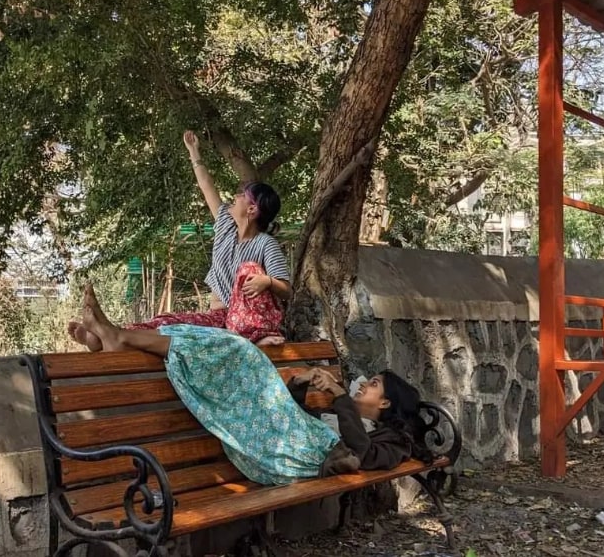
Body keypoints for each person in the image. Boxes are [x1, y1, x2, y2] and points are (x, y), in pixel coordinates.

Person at [76, 284, 433, 485]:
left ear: (385, 403)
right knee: (234, 349)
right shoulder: (346, 417)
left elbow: (363, 455)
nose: (361, 386)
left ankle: (123, 339)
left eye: (372, 384)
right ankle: (122, 339)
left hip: (285, 457)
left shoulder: (392, 442)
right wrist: (302, 382)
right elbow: (294, 416)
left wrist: (339, 396)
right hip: (275, 439)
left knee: (238, 349)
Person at [68, 130, 291, 349]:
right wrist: (194, 152)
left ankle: (106, 335)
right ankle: (102, 335)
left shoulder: (265, 244)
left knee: (169, 327)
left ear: (252, 209)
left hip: (235, 323)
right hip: (215, 316)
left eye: (243, 195)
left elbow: (287, 289)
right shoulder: (225, 226)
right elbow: (207, 187)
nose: (236, 196)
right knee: (166, 321)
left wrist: (268, 282)